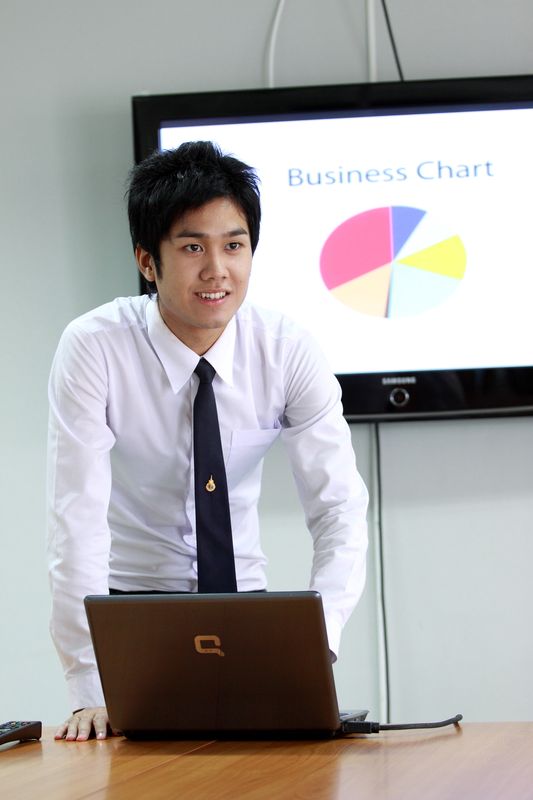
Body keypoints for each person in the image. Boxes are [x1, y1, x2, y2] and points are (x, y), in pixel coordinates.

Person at [47, 141, 368, 741]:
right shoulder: (95, 347)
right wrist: (89, 684)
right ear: (148, 261)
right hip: (134, 613)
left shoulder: (286, 349)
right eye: (193, 247)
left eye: (234, 245)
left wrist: (317, 639)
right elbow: (77, 519)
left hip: (251, 608)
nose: (218, 269)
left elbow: (338, 508)